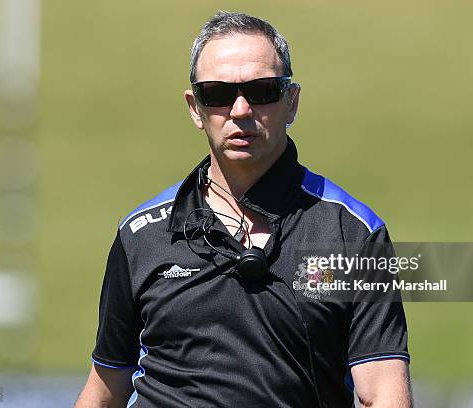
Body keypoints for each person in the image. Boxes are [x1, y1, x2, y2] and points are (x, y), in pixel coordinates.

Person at [75, 11, 412, 408]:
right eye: (217, 94)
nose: (239, 111)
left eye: (262, 90)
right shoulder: (141, 234)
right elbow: (104, 391)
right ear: (195, 108)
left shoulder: (352, 232)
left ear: (292, 101)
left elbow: (384, 393)